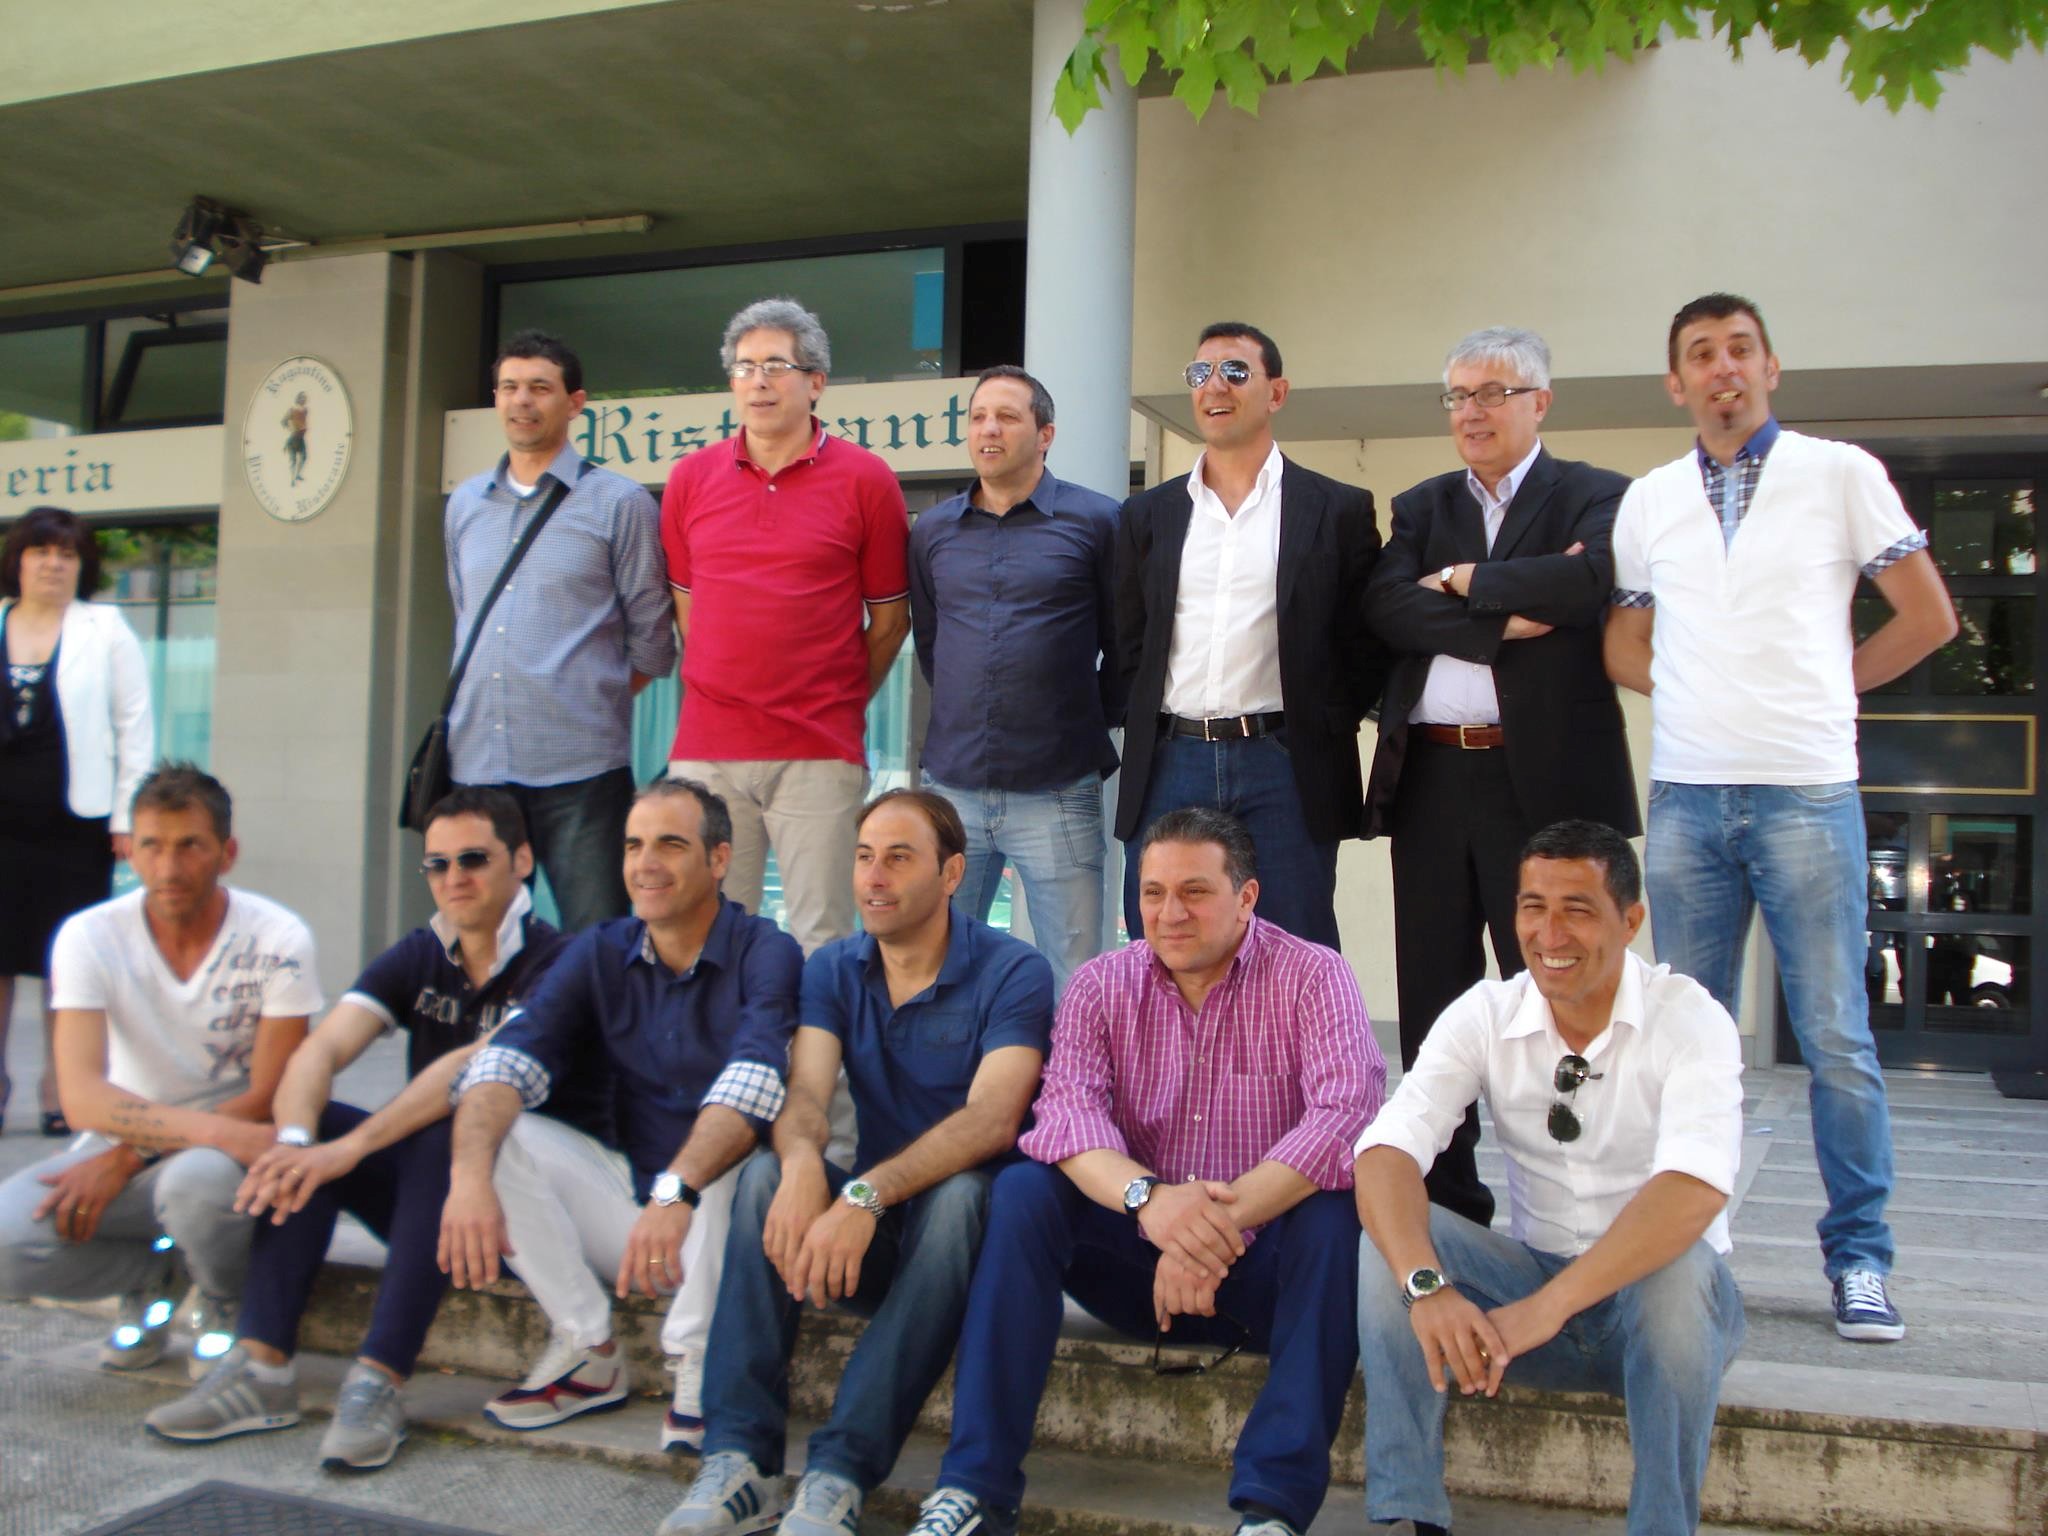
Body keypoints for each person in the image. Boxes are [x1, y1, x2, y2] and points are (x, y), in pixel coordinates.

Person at [1604, 293, 1958, 1342]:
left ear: (1768, 368)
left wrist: (1825, 691)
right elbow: (1622, 647)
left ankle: (1857, 1259)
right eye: (1698, 356)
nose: (1721, 369)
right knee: (1688, 1041)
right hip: (1685, 801)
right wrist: (1701, 690)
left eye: (1738, 351)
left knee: (1834, 1037)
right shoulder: (1648, 500)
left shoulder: (1837, 473)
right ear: (1674, 383)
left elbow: (1928, 616)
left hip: (1805, 792)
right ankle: (1685, 1250)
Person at [904, 807, 1386, 1536]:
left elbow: (1347, 1113)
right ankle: (974, 1489)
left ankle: (1271, 1509)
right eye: (1153, 892)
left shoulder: (1314, 976)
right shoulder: (1102, 985)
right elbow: (1065, 1117)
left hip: (1261, 1275)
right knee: (1026, 1191)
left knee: (1335, 1215)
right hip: (1133, 1265)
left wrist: (1212, 1224)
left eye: (1194, 892)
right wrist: (1151, 1204)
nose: (1169, 913)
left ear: (1247, 897)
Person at [139, 787, 608, 1470]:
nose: (455, 879)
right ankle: (263, 1368)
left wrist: (348, 1151)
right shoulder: (420, 955)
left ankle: (379, 1378)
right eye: (438, 864)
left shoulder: (562, 962)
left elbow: (463, 1072)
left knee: (436, 1126)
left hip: (532, 1219)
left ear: (525, 859)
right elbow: (319, 1053)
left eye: (474, 859)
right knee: (310, 1126)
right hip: (437, 1215)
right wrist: (301, 1146)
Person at [660, 789, 1053, 1536]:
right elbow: (807, 1091)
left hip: (971, 1258)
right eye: (865, 857)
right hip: (865, 1240)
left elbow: (993, 1118)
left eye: (899, 859)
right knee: (767, 1177)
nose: (874, 877)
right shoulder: (834, 968)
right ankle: (741, 1461)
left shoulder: (1014, 971)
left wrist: (865, 1193)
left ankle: (838, 1474)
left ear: (951, 874)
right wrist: (805, 1159)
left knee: (967, 1194)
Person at [1354, 820, 1746, 1536]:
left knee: (1679, 1269)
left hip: (1658, 1314)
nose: (1549, 933)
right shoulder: (1487, 1013)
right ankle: (1408, 1510)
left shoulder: (1689, 1019)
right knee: (1392, 1243)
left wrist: (1552, 1305)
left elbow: (1693, 1188)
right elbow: (1386, 1153)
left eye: (1577, 909)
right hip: (1529, 1297)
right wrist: (1426, 1286)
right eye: (1533, 906)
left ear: (1631, 921)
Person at [1364, 327, 1638, 1228]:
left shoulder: (1597, 496)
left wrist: (1462, 582)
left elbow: (1588, 583)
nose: (1471, 412)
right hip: (1436, 778)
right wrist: (1502, 612)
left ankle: (1576, 1206)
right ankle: (1448, 1206)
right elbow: (1386, 606)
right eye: (1457, 396)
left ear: (1539, 403)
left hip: (1546, 787)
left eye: (1492, 393)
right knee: (1436, 995)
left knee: (1561, 984)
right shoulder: (1421, 503)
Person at [438, 777, 801, 1447]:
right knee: (490, 1127)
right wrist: (466, 1179)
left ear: (720, 859)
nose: (645, 864)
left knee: (738, 1154)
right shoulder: (601, 949)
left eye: (670, 844)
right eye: (634, 845)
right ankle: (589, 1349)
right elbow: (503, 1063)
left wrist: (675, 1189)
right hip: (635, 1218)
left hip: (719, 1226)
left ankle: (699, 1359)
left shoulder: (765, 951)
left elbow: (755, 1085)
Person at [0, 764, 319, 1376]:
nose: (169, 869)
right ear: (129, 851)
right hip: (136, 1143)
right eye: (151, 845)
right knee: (10, 1241)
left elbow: (269, 1095)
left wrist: (128, 1157)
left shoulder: (279, 938)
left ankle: (224, 1300)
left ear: (227, 853)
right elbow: (83, 1099)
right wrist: (125, 1149)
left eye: (190, 846)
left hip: (222, 1165)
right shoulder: (88, 936)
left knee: (192, 1183)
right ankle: (157, 1277)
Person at [1114, 322, 1382, 951]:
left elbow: (1365, 642)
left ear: (1276, 391)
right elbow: (1127, 641)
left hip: (1285, 761)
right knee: (1167, 942)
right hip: (1172, 760)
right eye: (1200, 374)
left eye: (1235, 372)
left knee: (1296, 945)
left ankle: (1299, 1057)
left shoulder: (1336, 508)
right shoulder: (1148, 516)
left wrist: (1318, 722)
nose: (1214, 386)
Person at [660, 297, 911, 956]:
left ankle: (815, 1066)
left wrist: (838, 697)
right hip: (709, 750)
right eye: (744, 368)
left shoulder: (868, 480)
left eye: (776, 366)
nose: (759, 382)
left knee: (822, 937)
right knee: (706, 935)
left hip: (818, 749)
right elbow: (691, 611)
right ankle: (727, 1062)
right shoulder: (689, 480)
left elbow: (889, 621)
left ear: (816, 381)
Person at [443, 328, 677, 931]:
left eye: (540, 388)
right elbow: (466, 613)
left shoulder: (618, 503)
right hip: (476, 766)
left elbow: (653, 633)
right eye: (510, 388)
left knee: (595, 938)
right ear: (495, 399)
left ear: (574, 403)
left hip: (581, 771)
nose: (523, 401)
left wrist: (585, 693)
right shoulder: (464, 505)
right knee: (478, 939)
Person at [908, 365, 1121, 991]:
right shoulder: (932, 530)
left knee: (1077, 973)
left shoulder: (1099, 521)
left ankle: (1071, 1092)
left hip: (1057, 789)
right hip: (951, 787)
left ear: (1045, 432)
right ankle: (950, 1088)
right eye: (977, 417)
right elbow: (931, 643)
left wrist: (1074, 717)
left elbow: (1125, 647)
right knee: (932, 961)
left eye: (1006, 416)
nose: (988, 429)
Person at [0, 506, 153, 1138]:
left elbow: (133, 726)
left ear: (82, 565)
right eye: (41, 552)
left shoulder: (106, 627)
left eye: (67, 554)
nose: (54, 564)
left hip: (74, 826)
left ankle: (61, 1086)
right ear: (19, 560)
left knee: (66, 960)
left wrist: (128, 816)